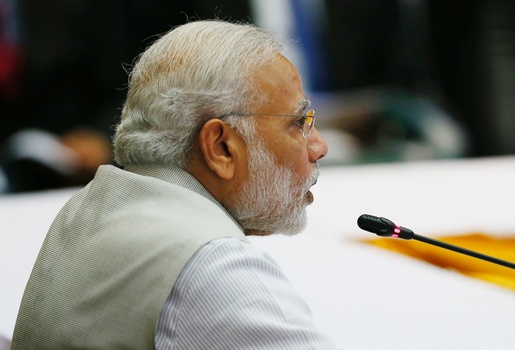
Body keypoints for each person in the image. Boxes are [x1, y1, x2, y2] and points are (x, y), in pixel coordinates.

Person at [11, 20, 338, 349]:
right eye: (299, 123)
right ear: (221, 147)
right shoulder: (214, 265)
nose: (319, 147)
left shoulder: (86, 209)